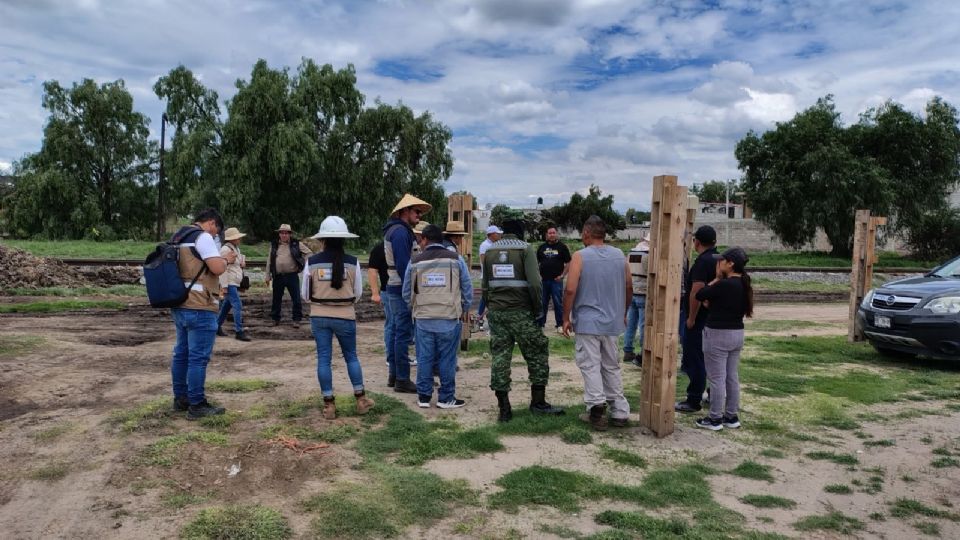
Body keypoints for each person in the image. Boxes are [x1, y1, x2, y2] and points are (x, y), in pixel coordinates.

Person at [484, 219, 564, 422]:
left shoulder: (491, 251)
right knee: (537, 351)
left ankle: (504, 408)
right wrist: (538, 310)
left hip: (497, 312)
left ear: (503, 233)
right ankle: (538, 403)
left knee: (500, 357)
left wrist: (490, 306)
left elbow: (485, 285)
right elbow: (536, 284)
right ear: (521, 233)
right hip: (521, 312)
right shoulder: (525, 249)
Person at [300, 216, 375, 420]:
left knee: (324, 359)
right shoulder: (353, 262)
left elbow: (305, 294)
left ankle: (329, 405)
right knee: (351, 356)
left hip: (319, 315)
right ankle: (360, 400)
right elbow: (358, 292)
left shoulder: (312, 262)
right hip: (345, 316)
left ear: (322, 239)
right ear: (344, 239)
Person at [562, 216, 632, 431]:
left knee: (590, 365)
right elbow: (629, 286)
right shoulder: (619, 255)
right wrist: (623, 311)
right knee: (611, 365)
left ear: (586, 233)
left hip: (588, 321)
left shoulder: (580, 256)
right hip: (612, 321)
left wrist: (566, 317)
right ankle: (620, 410)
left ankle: (596, 408)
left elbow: (570, 289)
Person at [170, 208, 234, 419]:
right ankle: (197, 404)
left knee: (181, 354)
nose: (215, 236)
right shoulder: (202, 237)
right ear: (212, 223)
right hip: (200, 304)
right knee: (198, 358)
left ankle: (181, 398)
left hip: (180, 303)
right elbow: (216, 268)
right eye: (217, 232)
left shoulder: (178, 235)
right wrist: (226, 260)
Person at [403, 224, 473, 409]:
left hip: (423, 318)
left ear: (424, 239)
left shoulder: (415, 261)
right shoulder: (456, 259)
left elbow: (406, 292)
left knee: (424, 358)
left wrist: (416, 308)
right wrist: (462, 309)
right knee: (447, 359)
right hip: (449, 317)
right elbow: (467, 289)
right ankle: (446, 397)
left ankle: (424, 396)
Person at [694, 247, 753, 430]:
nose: (718, 264)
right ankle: (731, 415)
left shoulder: (724, 284)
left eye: (722, 261)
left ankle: (714, 418)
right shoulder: (744, 284)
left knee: (716, 378)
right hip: (736, 332)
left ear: (730, 264)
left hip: (718, 333)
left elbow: (700, 295)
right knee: (731, 376)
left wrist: (717, 279)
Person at [383, 193, 432, 393]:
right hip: (400, 288)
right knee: (403, 335)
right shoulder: (402, 233)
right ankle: (402, 378)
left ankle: (395, 375)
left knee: (396, 332)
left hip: (393, 287)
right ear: (405, 211)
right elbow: (405, 266)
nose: (419, 215)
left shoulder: (394, 231)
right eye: (416, 211)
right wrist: (413, 292)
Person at [675, 225, 719, 413]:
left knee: (695, 358)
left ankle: (693, 399)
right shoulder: (720, 259)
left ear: (697, 242)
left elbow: (696, 292)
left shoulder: (702, 262)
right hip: (716, 319)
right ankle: (715, 394)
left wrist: (691, 318)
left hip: (700, 319)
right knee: (714, 360)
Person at [267, 224, 312, 328]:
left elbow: (309, 253)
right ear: (279, 234)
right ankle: (275, 319)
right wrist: (267, 275)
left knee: (296, 298)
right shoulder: (274, 245)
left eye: (286, 233)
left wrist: (303, 263)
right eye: (281, 233)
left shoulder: (296, 244)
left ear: (289, 234)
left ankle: (296, 320)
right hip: (278, 276)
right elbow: (269, 260)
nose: (283, 235)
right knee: (276, 298)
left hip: (292, 275)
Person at [217, 227, 251, 341]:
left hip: (233, 282)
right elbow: (223, 269)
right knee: (237, 305)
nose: (239, 239)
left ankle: (217, 326)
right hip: (230, 282)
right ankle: (238, 331)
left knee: (227, 306)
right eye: (237, 237)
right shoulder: (225, 250)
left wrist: (241, 263)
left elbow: (234, 265)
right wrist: (224, 286)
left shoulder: (235, 248)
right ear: (233, 239)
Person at [536, 227, 571, 333]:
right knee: (543, 303)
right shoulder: (542, 247)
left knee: (558, 303)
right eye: (550, 233)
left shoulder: (562, 247)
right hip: (544, 280)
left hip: (556, 281)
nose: (551, 234)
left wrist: (563, 275)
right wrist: (538, 275)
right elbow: (535, 263)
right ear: (547, 234)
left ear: (556, 234)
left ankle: (560, 325)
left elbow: (569, 262)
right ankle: (541, 324)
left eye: (553, 233)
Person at [622, 236, 649, 366]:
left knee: (631, 323)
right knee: (643, 325)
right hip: (644, 292)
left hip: (631, 291)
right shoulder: (648, 255)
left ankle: (627, 350)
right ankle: (644, 353)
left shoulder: (631, 254)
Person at [367, 240, 391, 367]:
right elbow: (372, 270)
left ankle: (397, 355)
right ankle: (390, 356)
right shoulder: (380, 248)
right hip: (389, 291)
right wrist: (375, 293)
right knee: (392, 324)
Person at [474, 225, 503, 331]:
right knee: (485, 298)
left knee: (490, 298)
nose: (499, 235)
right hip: (488, 277)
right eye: (497, 233)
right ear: (491, 234)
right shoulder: (485, 245)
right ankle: (480, 319)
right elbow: (483, 260)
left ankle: (487, 319)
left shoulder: (496, 244)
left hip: (494, 276)